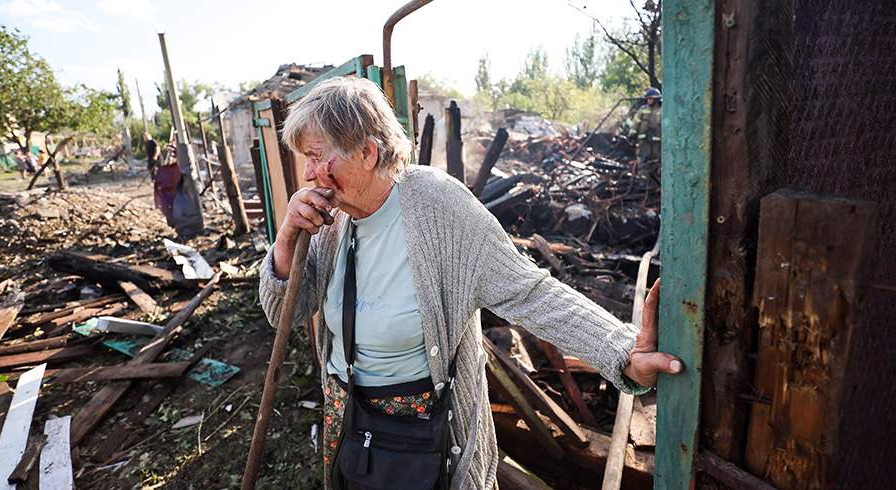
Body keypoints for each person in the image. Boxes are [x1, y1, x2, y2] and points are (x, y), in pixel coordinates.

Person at [259, 78, 682, 490]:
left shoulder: (439, 208)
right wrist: (286, 240)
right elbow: (285, 314)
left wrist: (622, 351)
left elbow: (529, 291)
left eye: (316, 156)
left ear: (368, 152)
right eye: (305, 159)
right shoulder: (330, 223)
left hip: (425, 438)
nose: (310, 174)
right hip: (348, 424)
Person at [628, 87, 662, 165]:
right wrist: (632, 135)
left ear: (656, 99)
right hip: (644, 141)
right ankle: (642, 176)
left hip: (658, 143)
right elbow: (636, 123)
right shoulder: (642, 110)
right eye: (648, 99)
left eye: (651, 98)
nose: (649, 100)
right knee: (642, 161)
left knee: (657, 161)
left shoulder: (662, 110)